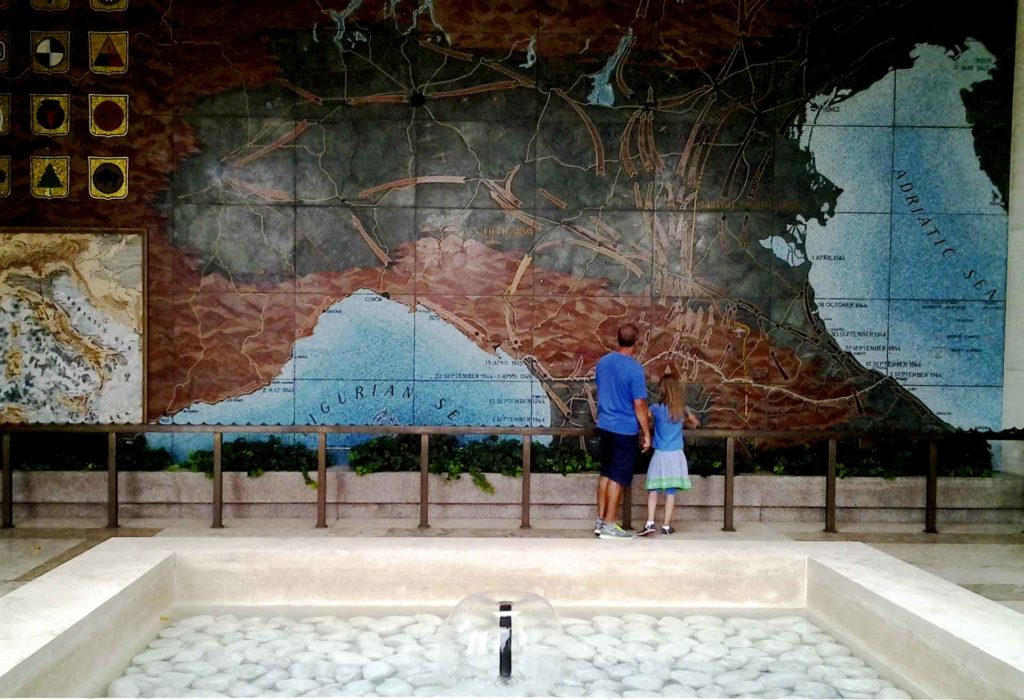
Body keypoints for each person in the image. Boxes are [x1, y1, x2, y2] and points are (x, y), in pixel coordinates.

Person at [593, 323, 651, 539]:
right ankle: (609, 525)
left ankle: (600, 521)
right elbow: (638, 404)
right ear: (636, 343)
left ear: (618, 339)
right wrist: (646, 432)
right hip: (624, 429)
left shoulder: (603, 363)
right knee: (617, 476)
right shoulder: (635, 369)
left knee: (606, 474)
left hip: (605, 425)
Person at [638, 372, 700, 536]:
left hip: (660, 454)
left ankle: (650, 522)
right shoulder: (682, 410)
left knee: (653, 489)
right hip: (676, 455)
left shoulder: (656, 408)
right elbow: (695, 423)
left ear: (663, 390)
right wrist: (685, 420)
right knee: (671, 492)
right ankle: (666, 525)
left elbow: (644, 417)